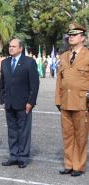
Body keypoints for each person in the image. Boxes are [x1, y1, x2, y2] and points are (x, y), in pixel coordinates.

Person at [0, 38, 39, 168]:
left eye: (14, 46)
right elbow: (2, 84)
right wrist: (3, 100)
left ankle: (22, 157)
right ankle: (13, 155)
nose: (11, 48)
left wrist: (30, 102)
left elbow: (34, 84)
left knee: (24, 131)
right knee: (12, 131)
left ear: (21, 48)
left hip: (23, 104)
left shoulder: (29, 62)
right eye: (10, 46)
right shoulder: (5, 62)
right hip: (9, 103)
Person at [55, 23, 89, 177]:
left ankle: (78, 165)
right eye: (70, 35)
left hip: (82, 102)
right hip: (66, 101)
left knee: (81, 136)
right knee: (67, 135)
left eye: (74, 35)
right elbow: (59, 80)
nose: (71, 37)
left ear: (83, 38)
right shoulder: (63, 56)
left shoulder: (88, 55)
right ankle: (69, 164)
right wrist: (58, 99)